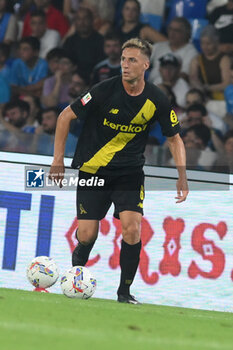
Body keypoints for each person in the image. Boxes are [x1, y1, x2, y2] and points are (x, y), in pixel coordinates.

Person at [49, 38, 189, 304]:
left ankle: (124, 292)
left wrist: (182, 176)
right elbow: (65, 115)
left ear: (146, 65)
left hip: (129, 173)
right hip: (94, 170)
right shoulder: (104, 90)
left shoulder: (157, 99)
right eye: (123, 59)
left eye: (132, 60)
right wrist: (58, 159)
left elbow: (175, 138)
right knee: (88, 234)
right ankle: (77, 278)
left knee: (132, 230)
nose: (125, 65)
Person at [149, 17, 197, 84]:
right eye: (170, 29)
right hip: (151, 85)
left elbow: (184, 75)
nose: (172, 33)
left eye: (177, 30)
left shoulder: (191, 52)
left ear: (186, 33)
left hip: (174, 88)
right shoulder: (158, 46)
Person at [189, 25, 231, 101]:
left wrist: (208, 88)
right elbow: (193, 78)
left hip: (221, 98)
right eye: (202, 43)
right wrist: (199, 87)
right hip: (203, 97)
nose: (205, 47)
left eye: (208, 44)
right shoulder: (197, 59)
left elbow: (226, 84)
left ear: (216, 43)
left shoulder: (224, 59)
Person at [63, 7, 105, 77]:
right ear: (75, 22)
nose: (82, 22)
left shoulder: (101, 40)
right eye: (79, 19)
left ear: (92, 20)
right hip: (73, 80)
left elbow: (102, 66)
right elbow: (67, 64)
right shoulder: (69, 41)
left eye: (86, 18)